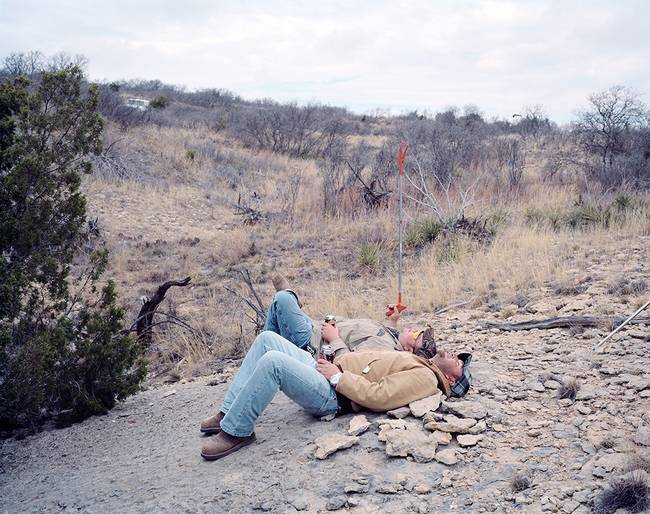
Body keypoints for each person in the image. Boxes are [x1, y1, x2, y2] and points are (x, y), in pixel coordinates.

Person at [199, 329, 468, 461]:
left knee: (273, 362)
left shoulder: (427, 379)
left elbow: (379, 396)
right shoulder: (423, 363)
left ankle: (238, 431)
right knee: (267, 338)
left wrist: (336, 376)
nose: (456, 355)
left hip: (333, 394)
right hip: (329, 374)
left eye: (459, 362)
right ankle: (229, 411)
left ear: (451, 379)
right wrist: (333, 364)